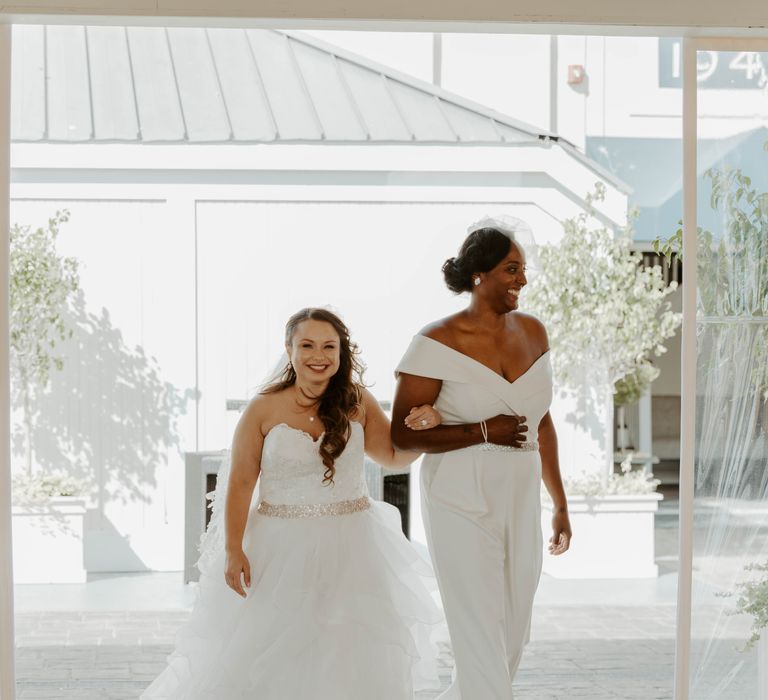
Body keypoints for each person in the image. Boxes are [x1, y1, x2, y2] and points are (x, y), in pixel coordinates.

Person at [142, 307, 444, 700]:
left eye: (328, 346)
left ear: (341, 352)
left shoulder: (357, 401)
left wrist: (424, 429)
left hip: (353, 548)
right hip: (278, 548)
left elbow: (393, 456)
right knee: (275, 649)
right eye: (307, 345)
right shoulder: (263, 408)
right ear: (289, 349)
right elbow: (241, 483)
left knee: (347, 649)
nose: (318, 355)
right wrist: (234, 550)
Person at [391, 218, 572, 700]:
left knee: (514, 629)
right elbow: (400, 435)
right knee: (477, 630)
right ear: (480, 275)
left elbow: (542, 422)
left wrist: (559, 502)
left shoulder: (534, 332)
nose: (523, 280)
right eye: (512, 268)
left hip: (519, 495)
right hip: (458, 495)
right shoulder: (436, 342)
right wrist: (482, 430)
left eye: (523, 269)